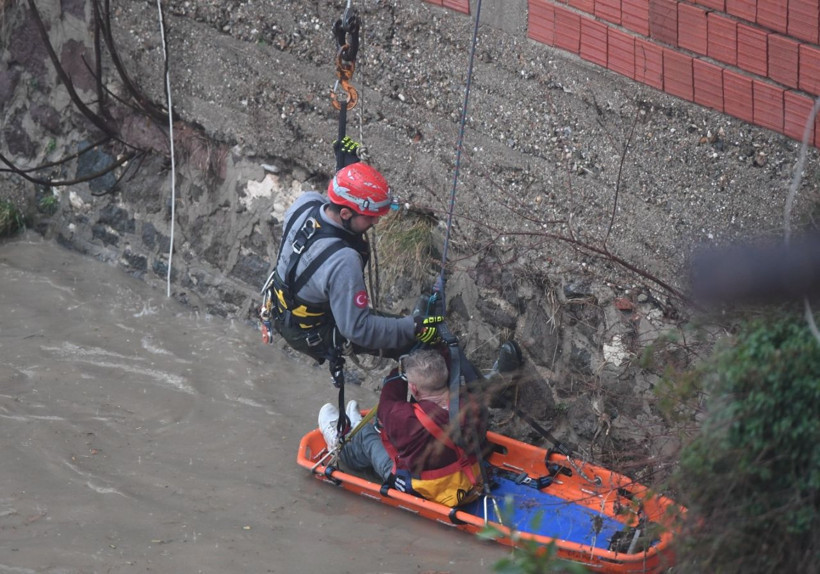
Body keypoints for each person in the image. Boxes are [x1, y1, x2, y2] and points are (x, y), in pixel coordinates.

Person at [259, 159, 443, 384]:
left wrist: (348, 172)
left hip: (281, 309)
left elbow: (335, 201)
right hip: (315, 332)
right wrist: (412, 327)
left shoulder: (306, 203)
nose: (376, 221)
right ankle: (483, 393)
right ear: (345, 214)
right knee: (423, 344)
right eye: (370, 216)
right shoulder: (343, 260)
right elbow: (358, 328)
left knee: (401, 330)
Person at [318, 346, 521, 507]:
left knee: (367, 438)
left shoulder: (404, 418)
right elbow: (451, 354)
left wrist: (401, 367)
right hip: (467, 478)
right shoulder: (471, 402)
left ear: (413, 388)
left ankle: (340, 440)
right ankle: (354, 426)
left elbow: (389, 394)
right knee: (389, 436)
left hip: (425, 489)